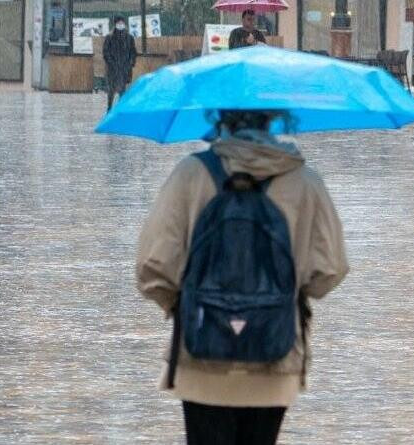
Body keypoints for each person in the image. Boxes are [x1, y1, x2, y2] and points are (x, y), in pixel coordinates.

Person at [136, 110, 349, 445]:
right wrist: (285, 295)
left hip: (201, 356)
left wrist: (186, 304)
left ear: (221, 116)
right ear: (275, 117)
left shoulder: (191, 174)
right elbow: (329, 270)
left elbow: (153, 266)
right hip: (274, 356)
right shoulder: (305, 182)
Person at [102, 16, 137, 111]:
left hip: (124, 68)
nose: (121, 25)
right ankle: (109, 108)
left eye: (122, 23)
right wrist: (111, 63)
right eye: (119, 23)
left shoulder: (129, 38)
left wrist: (130, 63)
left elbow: (133, 52)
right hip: (112, 68)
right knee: (111, 90)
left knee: (122, 89)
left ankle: (121, 109)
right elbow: (105, 52)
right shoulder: (109, 37)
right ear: (115, 24)